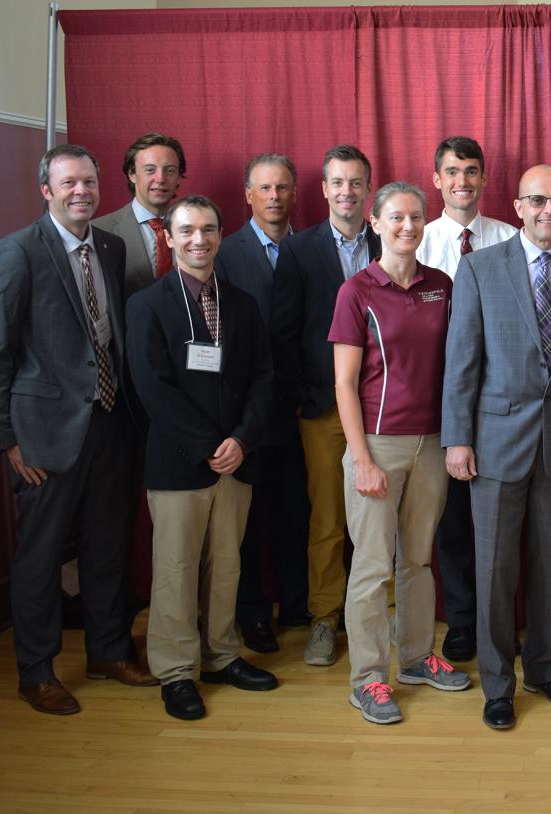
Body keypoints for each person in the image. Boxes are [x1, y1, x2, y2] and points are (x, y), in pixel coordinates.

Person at [0, 144, 155, 715]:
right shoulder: (16, 252)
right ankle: (36, 670)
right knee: (41, 556)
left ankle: (106, 650)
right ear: (46, 190)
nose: (82, 191)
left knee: (107, 546)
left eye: (89, 182)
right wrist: (8, 439)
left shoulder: (110, 245)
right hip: (42, 435)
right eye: (69, 183)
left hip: (108, 423)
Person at [441, 165, 551, 730]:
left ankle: (545, 669)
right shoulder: (480, 269)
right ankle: (497, 684)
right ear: (517, 206)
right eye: (537, 200)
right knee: (494, 568)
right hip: (494, 443)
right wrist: (458, 439)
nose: (548, 211)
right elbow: (461, 363)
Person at [127, 195, 278, 721]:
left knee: (228, 566)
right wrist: (207, 446)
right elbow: (152, 388)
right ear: (169, 237)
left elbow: (263, 378)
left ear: (220, 235)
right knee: (175, 570)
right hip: (179, 464)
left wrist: (240, 440)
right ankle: (175, 671)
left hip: (237, 461)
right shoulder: (147, 305)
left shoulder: (243, 304)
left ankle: (220, 656)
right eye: (187, 230)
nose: (199, 239)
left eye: (208, 229)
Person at [330, 182, 470, 725]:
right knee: (370, 568)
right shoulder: (357, 290)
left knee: (417, 559)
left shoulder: (442, 285)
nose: (407, 226)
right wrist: (361, 458)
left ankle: (414, 658)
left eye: (415, 217)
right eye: (395, 218)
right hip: (379, 444)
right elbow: (344, 385)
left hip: (433, 442)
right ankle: (368, 678)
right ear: (376, 222)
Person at [269, 145, 380, 668]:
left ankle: (383, 613)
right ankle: (324, 618)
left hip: (382, 407)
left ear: (368, 189)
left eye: (356, 182)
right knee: (328, 520)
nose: (347, 192)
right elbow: (285, 333)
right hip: (323, 408)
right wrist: (300, 400)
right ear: (324, 189)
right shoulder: (300, 250)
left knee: (381, 518)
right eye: (338, 183)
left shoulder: (392, 238)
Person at [416, 136, 518, 663]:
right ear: (436, 179)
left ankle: (498, 621)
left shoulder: (510, 238)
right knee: (453, 521)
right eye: (452, 171)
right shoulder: (417, 239)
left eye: (472, 170)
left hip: (504, 404)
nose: (463, 181)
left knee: (503, 522)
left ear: (484, 177)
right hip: (438, 402)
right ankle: (460, 621)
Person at [215, 153, 311, 653]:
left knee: (299, 512)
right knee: (248, 523)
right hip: (246, 413)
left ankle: (298, 603)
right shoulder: (224, 253)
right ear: (247, 195)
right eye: (264, 189)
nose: (274, 197)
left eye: (283, 188)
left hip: (302, 409)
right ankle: (253, 613)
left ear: (294, 193)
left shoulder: (311, 248)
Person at [92, 132, 187, 294]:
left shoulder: (196, 230)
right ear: (132, 174)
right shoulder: (98, 231)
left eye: (170, 170)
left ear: (179, 177)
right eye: (150, 170)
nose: (160, 178)